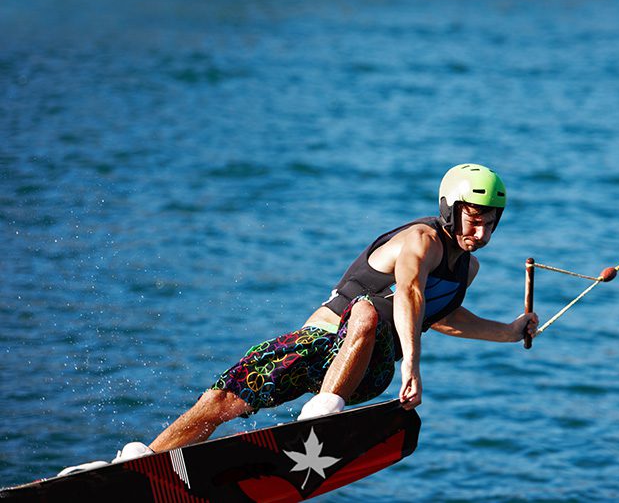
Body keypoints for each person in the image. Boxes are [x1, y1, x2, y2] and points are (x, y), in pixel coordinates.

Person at [61, 163, 538, 474]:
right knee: (224, 400)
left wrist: (509, 331)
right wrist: (415, 368)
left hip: (367, 365)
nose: (482, 230)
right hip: (320, 341)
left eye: (491, 221)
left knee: (369, 315)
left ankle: (323, 414)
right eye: (473, 218)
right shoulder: (421, 240)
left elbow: (442, 315)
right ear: (449, 211)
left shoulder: (466, 269)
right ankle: (139, 464)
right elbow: (411, 292)